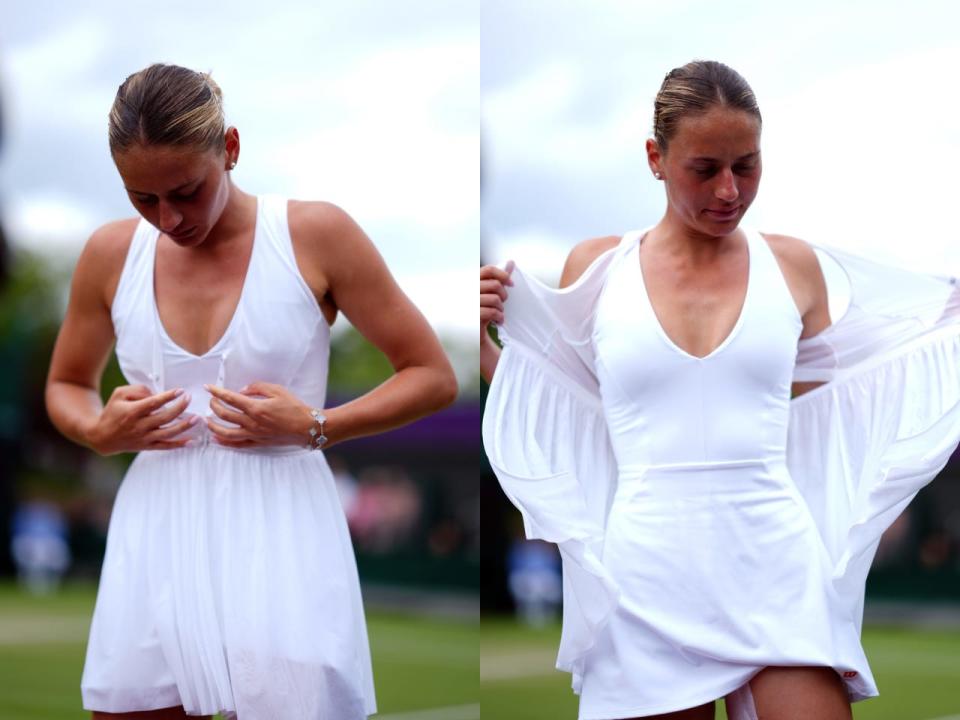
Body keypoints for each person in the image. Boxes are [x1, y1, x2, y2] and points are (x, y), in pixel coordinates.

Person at [481, 60, 960, 720]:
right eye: (705, 168)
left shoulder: (794, 267)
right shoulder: (595, 269)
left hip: (776, 560)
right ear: (655, 157)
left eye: (748, 165)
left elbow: (831, 419)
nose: (730, 190)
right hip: (645, 571)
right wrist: (488, 344)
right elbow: (562, 410)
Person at [46, 63, 458, 720]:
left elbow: (433, 375)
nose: (168, 218)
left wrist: (317, 424)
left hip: (281, 526)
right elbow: (68, 384)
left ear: (230, 149)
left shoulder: (315, 235)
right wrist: (98, 430)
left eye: (185, 190)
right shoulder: (108, 254)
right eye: (141, 198)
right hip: (156, 522)